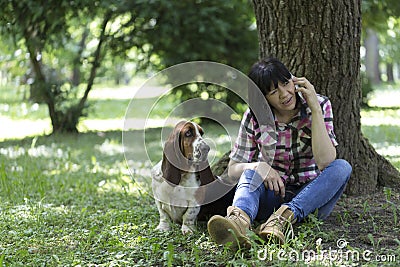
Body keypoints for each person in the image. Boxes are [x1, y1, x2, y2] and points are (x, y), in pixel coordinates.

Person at [207, 57, 352, 248]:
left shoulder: (320, 104)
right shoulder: (254, 117)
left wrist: (315, 109)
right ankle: (238, 224)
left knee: (342, 167)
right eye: (274, 91)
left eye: (286, 83)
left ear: (294, 80)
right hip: (271, 197)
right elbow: (233, 169)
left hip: (309, 201)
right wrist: (260, 166)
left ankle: (283, 220)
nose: (285, 94)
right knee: (251, 171)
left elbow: (326, 161)